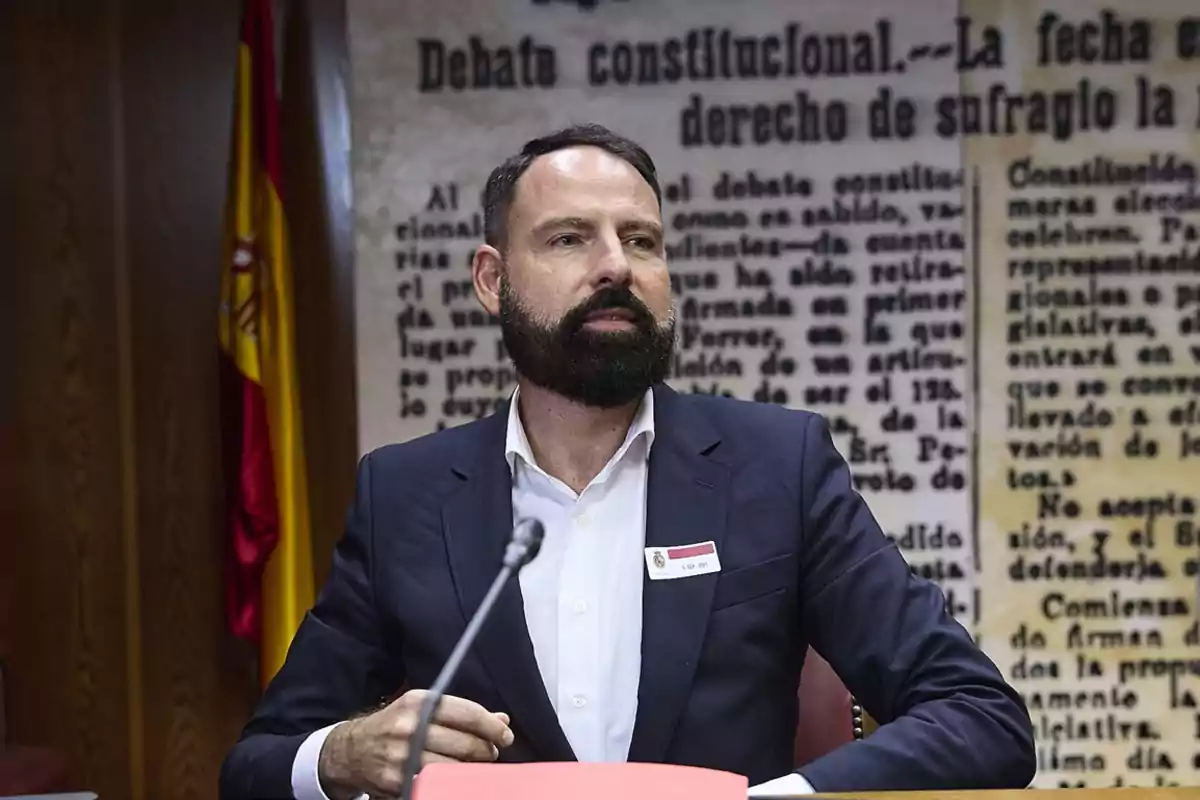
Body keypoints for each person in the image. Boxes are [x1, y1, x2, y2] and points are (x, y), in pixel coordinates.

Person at [219, 123, 1036, 800]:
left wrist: (779, 799)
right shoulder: (404, 494)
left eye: (640, 239)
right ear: (491, 279)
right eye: (570, 238)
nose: (616, 265)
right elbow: (256, 766)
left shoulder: (777, 469)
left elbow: (980, 716)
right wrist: (341, 755)